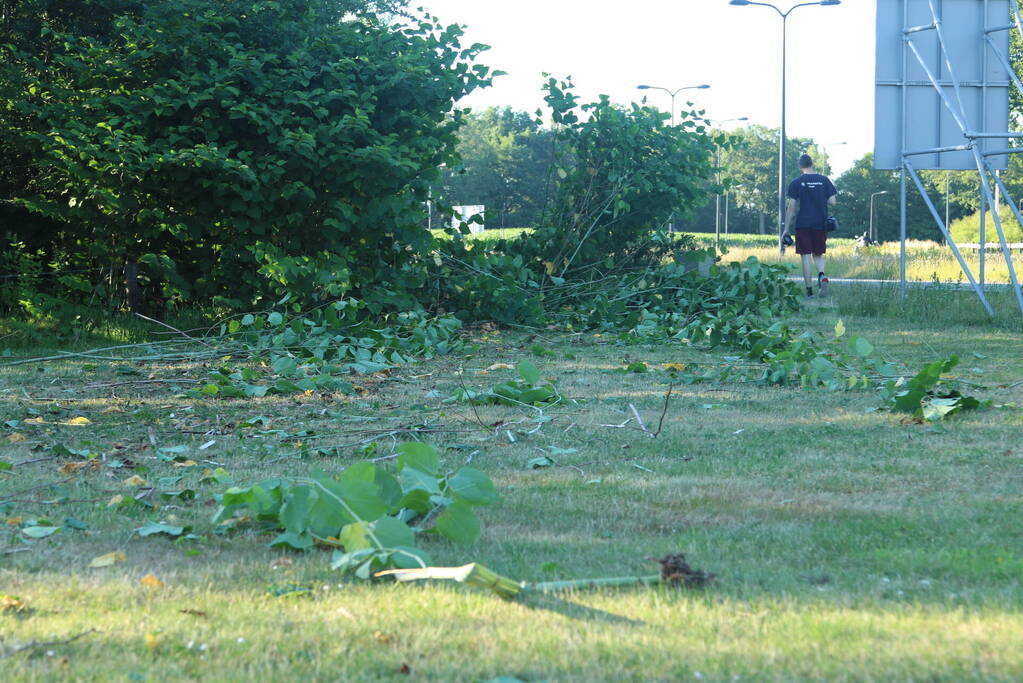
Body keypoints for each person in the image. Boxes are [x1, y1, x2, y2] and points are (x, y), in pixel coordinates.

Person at [782, 154, 837, 297]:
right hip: (821, 223)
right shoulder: (824, 180)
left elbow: (792, 208)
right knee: (818, 254)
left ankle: (809, 292)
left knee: (805, 257)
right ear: (812, 164)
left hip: (803, 224)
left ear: (800, 167)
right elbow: (833, 202)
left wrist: (786, 229)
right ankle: (822, 276)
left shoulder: (796, 182)